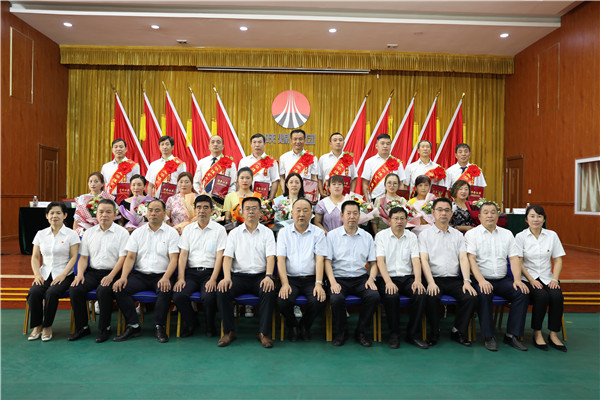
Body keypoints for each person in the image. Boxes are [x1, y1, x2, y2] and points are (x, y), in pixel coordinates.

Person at [112, 199, 179, 343]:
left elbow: (174, 259)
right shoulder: (138, 233)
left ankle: (159, 326)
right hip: (140, 275)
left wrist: (166, 277)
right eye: (150, 210)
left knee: (165, 289)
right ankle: (133, 325)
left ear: (164, 214)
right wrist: (123, 277)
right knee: (120, 288)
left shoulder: (172, 233)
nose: (153, 213)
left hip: (162, 275)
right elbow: (130, 257)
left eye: (157, 210)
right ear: (146, 213)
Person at [466, 202, 530, 352]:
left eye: (493, 212)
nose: (489, 215)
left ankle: (512, 335)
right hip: (481, 278)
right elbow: (471, 259)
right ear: (479, 216)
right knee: (484, 293)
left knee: (521, 292)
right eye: (486, 212)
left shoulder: (507, 234)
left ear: (498, 215)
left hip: (502, 279)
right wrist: (481, 280)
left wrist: (517, 280)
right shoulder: (472, 234)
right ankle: (489, 336)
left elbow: (514, 258)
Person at [217, 196, 277, 348]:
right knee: (223, 290)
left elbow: (271, 257)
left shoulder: (267, 233)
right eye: (247, 209)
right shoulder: (234, 233)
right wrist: (227, 277)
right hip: (239, 277)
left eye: (254, 208)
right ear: (242, 212)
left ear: (260, 212)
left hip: (260, 276)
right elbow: (227, 257)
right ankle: (229, 331)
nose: (251, 211)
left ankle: (264, 333)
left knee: (269, 290)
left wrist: (269, 276)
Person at [419, 197, 478, 347]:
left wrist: (466, 281)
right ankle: (434, 331)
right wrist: (430, 282)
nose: (443, 213)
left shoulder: (457, 235)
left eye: (447, 210)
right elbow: (423, 260)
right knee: (431, 296)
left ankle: (457, 330)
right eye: (439, 210)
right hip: (433, 278)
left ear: (451, 213)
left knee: (470, 296)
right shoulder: (425, 235)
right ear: (433, 212)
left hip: (453, 279)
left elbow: (463, 258)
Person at [68, 199, 129, 343]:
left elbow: (123, 258)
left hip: (114, 272)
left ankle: (104, 328)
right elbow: (83, 257)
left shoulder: (122, 233)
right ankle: (82, 327)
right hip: (93, 272)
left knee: (104, 290)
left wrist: (111, 276)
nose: (104, 215)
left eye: (108, 212)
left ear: (114, 214)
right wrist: (79, 274)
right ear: (96, 214)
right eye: (101, 212)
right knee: (75, 289)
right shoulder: (89, 233)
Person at [325, 200, 379, 347]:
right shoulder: (332, 236)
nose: (352, 216)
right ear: (342, 216)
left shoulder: (367, 236)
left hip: (360, 278)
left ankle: (361, 332)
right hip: (339, 278)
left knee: (373, 296)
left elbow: (374, 263)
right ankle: (341, 332)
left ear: (359, 215)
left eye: (355, 213)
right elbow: (327, 262)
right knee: (336, 298)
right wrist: (332, 282)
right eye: (348, 213)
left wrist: (371, 278)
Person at [173, 195, 227, 338]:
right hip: (191, 273)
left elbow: (220, 257)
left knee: (208, 296)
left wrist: (213, 279)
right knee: (178, 296)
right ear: (195, 210)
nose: (202, 211)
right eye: (198, 208)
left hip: (210, 273)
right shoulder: (188, 230)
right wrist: (181, 278)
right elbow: (183, 255)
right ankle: (192, 323)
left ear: (211, 210)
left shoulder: (219, 230)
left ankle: (210, 325)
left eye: (205, 208)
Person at [375, 206, 429, 349]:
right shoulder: (381, 236)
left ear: (406, 221)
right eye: (396, 218)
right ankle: (394, 334)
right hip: (387, 278)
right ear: (389, 221)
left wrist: (418, 280)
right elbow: (380, 261)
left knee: (420, 293)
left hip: (407, 277)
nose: (399, 221)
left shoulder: (412, 237)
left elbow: (415, 260)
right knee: (391, 295)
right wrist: (388, 282)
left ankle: (413, 334)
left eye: (402, 219)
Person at [515, 205, 567, 352]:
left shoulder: (552, 235)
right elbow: (519, 262)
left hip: (548, 277)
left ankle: (553, 334)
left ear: (544, 219)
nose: (536, 219)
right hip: (528, 278)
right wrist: (532, 280)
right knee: (542, 296)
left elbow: (558, 260)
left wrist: (555, 279)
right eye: (532, 216)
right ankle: (537, 333)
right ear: (526, 219)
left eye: (539, 216)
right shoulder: (520, 237)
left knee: (557, 296)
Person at [27, 202, 80, 341]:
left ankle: (47, 326)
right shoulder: (41, 234)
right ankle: (37, 325)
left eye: (58, 213)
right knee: (34, 292)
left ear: (65, 215)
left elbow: (74, 257)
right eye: (51, 213)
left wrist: (63, 274)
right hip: (44, 274)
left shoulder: (71, 234)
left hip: (65, 274)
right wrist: (37, 274)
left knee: (52, 293)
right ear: (47, 216)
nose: (54, 216)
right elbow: (35, 257)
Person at [277, 198, 327, 341]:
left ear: (311, 214)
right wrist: (284, 283)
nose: (301, 214)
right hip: (290, 279)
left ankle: (305, 325)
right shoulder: (284, 233)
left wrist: (318, 283)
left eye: (305, 211)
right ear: (292, 213)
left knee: (318, 300)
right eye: (298, 210)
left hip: (311, 279)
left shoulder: (318, 233)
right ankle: (292, 325)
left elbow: (320, 260)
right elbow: (281, 260)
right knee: (282, 301)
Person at [361, 134, 406, 203]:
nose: (385, 146)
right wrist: (368, 201)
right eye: (382, 143)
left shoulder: (397, 162)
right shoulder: (369, 162)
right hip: (375, 199)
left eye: (388, 144)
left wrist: (399, 201)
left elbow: (401, 184)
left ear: (390, 146)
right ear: (376, 146)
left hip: (393, 200)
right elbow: (365, 183)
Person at [238, 133, 279, 200]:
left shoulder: (271, 161)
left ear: (264, 144)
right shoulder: (244, 161)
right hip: (247, 195)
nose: (257, 145)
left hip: (265, 196)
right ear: (251, 144)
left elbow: (275, 181)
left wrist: (270, 198)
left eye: (260, 142)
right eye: (254, 142)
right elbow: (239, 180)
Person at [73, 172, 115, 236]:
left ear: (102, 184)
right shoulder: (82, 198)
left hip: (104, 228)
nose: (93, 184)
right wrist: (74, 233)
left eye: (96, 181)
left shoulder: (107, 197)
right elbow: (77, 217)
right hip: (86, 229)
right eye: (90, 181)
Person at [318, 132, 357, 196]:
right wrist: (322, 193)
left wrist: (351, 194)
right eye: (335, 140)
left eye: (340, 140)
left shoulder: (349, 158)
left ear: (344, 143)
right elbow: (319, 178)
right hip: (327, 195)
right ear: (330, 143)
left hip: (345, 196)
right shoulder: (323, 158)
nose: (338, 142)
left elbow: (354, 179)